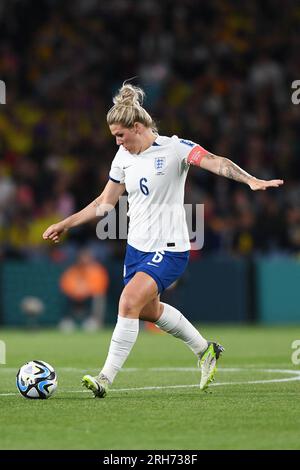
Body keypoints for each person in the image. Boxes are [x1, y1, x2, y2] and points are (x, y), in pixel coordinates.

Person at [43, 83, 284, 397]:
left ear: (138, 127)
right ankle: (205, 351)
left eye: (120, 135)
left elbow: (215, 161)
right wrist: (66, 223)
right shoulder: (123, 157)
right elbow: (104, 204)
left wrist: (250, 179)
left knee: (128, 302)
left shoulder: (175, 149)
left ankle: (104, 379)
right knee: (148, 311)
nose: (117, 141)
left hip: (169, 248)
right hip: (137, 249)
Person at [59, 249, 109, 332]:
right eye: (83, 258)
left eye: (87, 258)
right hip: (74, 297)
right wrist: (76, 290)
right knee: (63, 296)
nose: (85, 260)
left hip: (89, 297)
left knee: (99, 297)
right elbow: (65, 285)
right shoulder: (73, 270)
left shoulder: (96, 270)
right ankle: (67, 321)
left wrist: (86, 289)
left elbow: (100, 286)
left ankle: (95, 321)